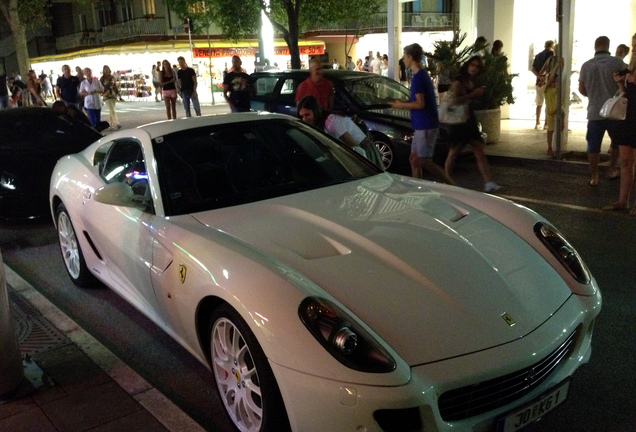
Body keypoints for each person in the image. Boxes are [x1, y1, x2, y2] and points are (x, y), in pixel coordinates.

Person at [389, 43, 455, 184]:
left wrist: (401, 105)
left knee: (424, 161)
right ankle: (417, 187)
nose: (403, 59)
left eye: (404, 56)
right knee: (414, 159)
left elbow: (420, 103)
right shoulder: (420, 75)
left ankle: (450, 184)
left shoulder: (419, 77)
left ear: (410, 57)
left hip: (426, 125)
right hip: (422, 124)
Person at [443, 56, 501, 192]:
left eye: (477, 66)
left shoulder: (471, 81)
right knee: (453, 153)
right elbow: (454, 101)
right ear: (467, 65)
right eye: (472, 65)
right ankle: (446, 181)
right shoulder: (459, 82)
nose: (474, 68)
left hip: (468, 120)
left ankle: (488, 182)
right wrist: (473, 94)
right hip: (459, 122)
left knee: (478, 150)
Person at [578, 36, 626, 186]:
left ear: (595, 46)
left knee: (593, 146)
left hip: (594, 111)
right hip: (614, 111)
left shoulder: (586, 65)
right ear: (608, 46)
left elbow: (581, 89)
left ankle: (594, 176)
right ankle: (611, 168)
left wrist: (592, 95)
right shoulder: (617, 62)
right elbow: (626, 81)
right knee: (616, 142)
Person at [296, 95, 384, 169]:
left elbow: (356, 147)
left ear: (315, 111)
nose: (304, 119)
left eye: (307, 115)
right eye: (302, 116)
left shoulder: (331, 122)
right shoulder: (322, 123)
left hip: (364, 148)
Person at [603, 33, 636, 216]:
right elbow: (625, 94)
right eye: (634, 45)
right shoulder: (630, 67)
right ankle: (622, 201)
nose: (635, 49)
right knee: (625, 161)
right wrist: (621, 84)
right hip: (628, 115)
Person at [541, 54, 564, 156]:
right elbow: (550, 78)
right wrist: (557, 66)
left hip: (557, 109)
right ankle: (549, 147)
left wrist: (561, 67)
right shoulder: (546, 88)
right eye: (553, 79)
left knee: (562, 113)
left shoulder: (557, 87)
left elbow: (558, 78)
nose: (554, 81)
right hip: (550, 111)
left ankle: (562, 122)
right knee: (551, 130)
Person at [531, 40, 555, 130]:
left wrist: (539, 77)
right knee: (549, 103)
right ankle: (546, 124)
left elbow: (533, 68)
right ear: (552, 46)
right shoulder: (552, 55)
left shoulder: (538, 55)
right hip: (549, 82)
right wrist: (545, 78)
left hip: (539, 82)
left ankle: (537, 123)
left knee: (539, 102)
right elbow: (550, 69)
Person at [100, 65, 121, 130]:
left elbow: (115, 85)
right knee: (112, 109)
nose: (106, 71)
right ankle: (116, 123)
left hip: (113, 94)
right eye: (105, 70)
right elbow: (100, 87)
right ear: (103, 71)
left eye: (107, 69)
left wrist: (118, 94)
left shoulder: (112, 77)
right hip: (106, 95)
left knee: (112, 110)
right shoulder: (102, 78)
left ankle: (110, 125)